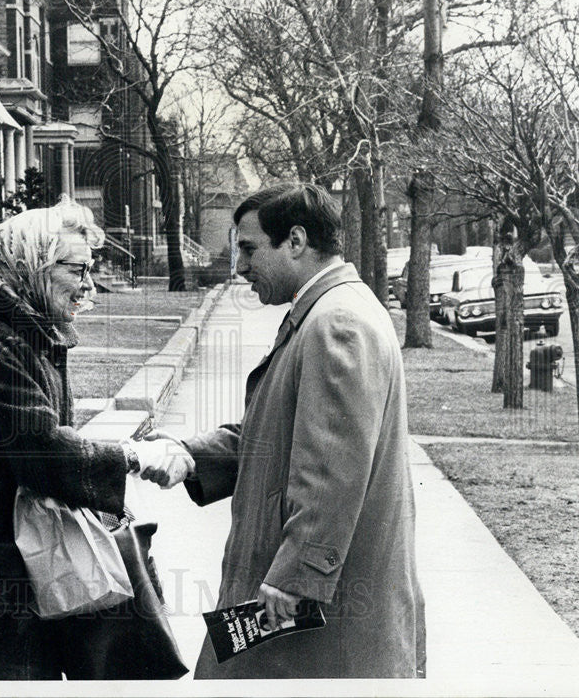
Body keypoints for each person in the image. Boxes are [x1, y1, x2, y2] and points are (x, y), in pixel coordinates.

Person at [143, 183, 426, 678]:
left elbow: (333, 468)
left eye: (249, 249)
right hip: (308, 606)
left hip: (315, 615)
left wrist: (298, 576)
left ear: (295, 241)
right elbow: (281, 432)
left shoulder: (337, 322)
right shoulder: (327, 310)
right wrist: (191, 454)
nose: (239, 266)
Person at [0, 199, 192, 680]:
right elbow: (43, 452)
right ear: (33, 268)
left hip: (5, 564)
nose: (88, 284)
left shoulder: (25, 334)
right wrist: (133, 456)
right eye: (78, 270)